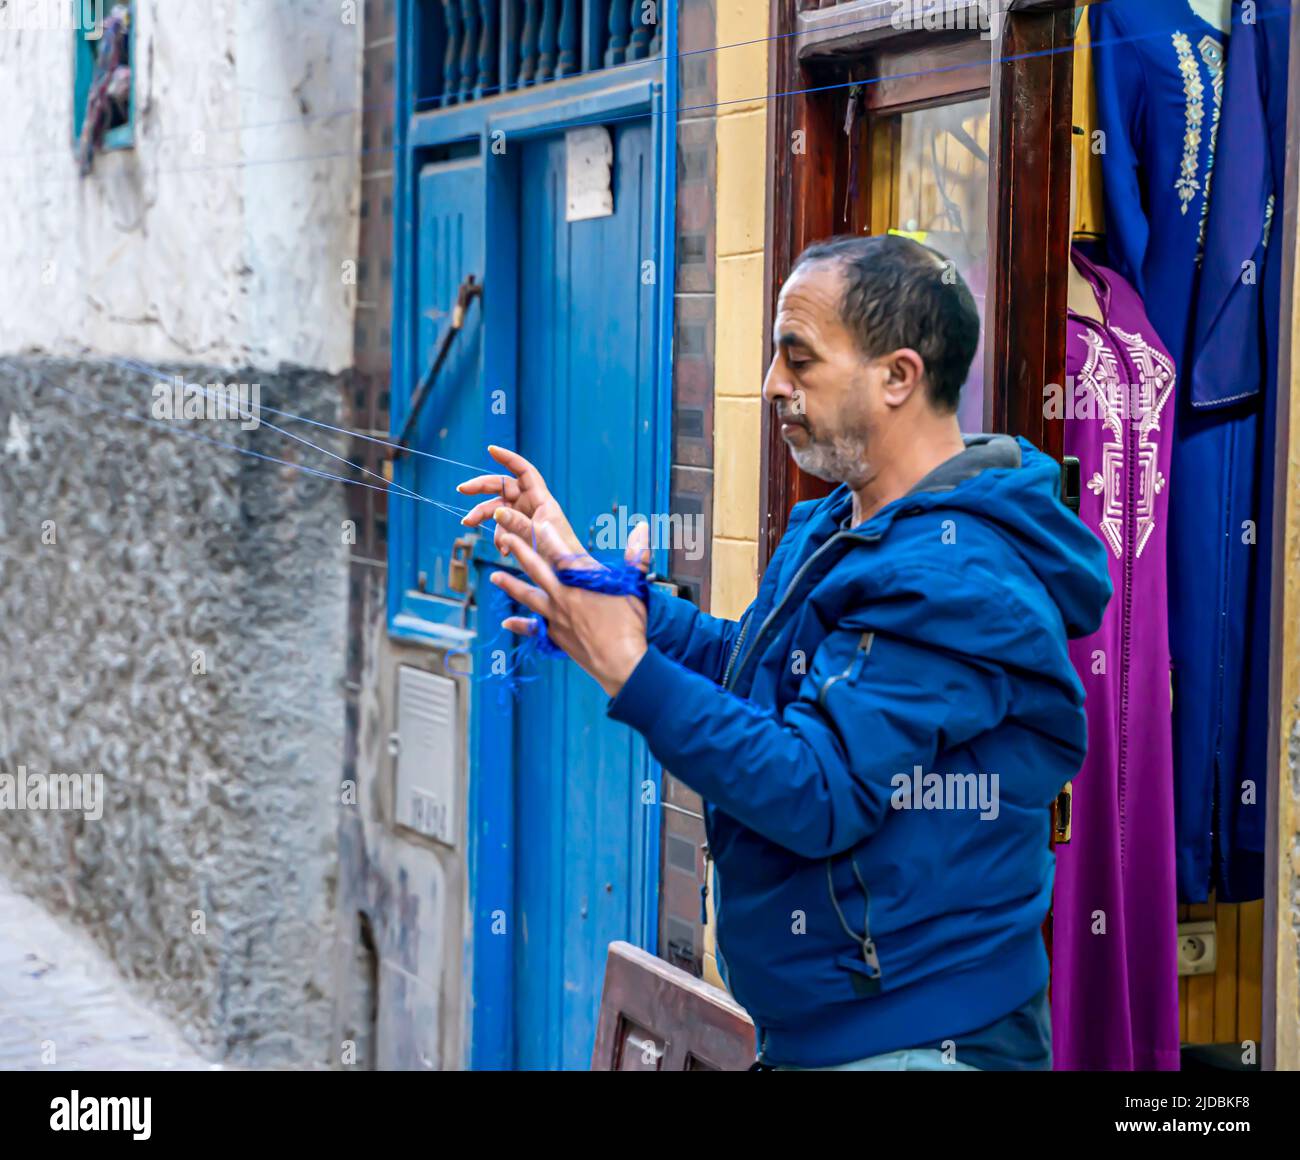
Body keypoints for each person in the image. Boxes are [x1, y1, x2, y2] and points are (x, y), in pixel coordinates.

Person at [458, 234, 1111, 1070]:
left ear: (898, 376)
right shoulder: (838, 523)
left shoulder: (957, 574)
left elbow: (818, 788)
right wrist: (603, 594)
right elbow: (755, 678)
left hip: (915, 1046)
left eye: (799, 359)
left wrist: (630, 668)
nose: (773, 385)